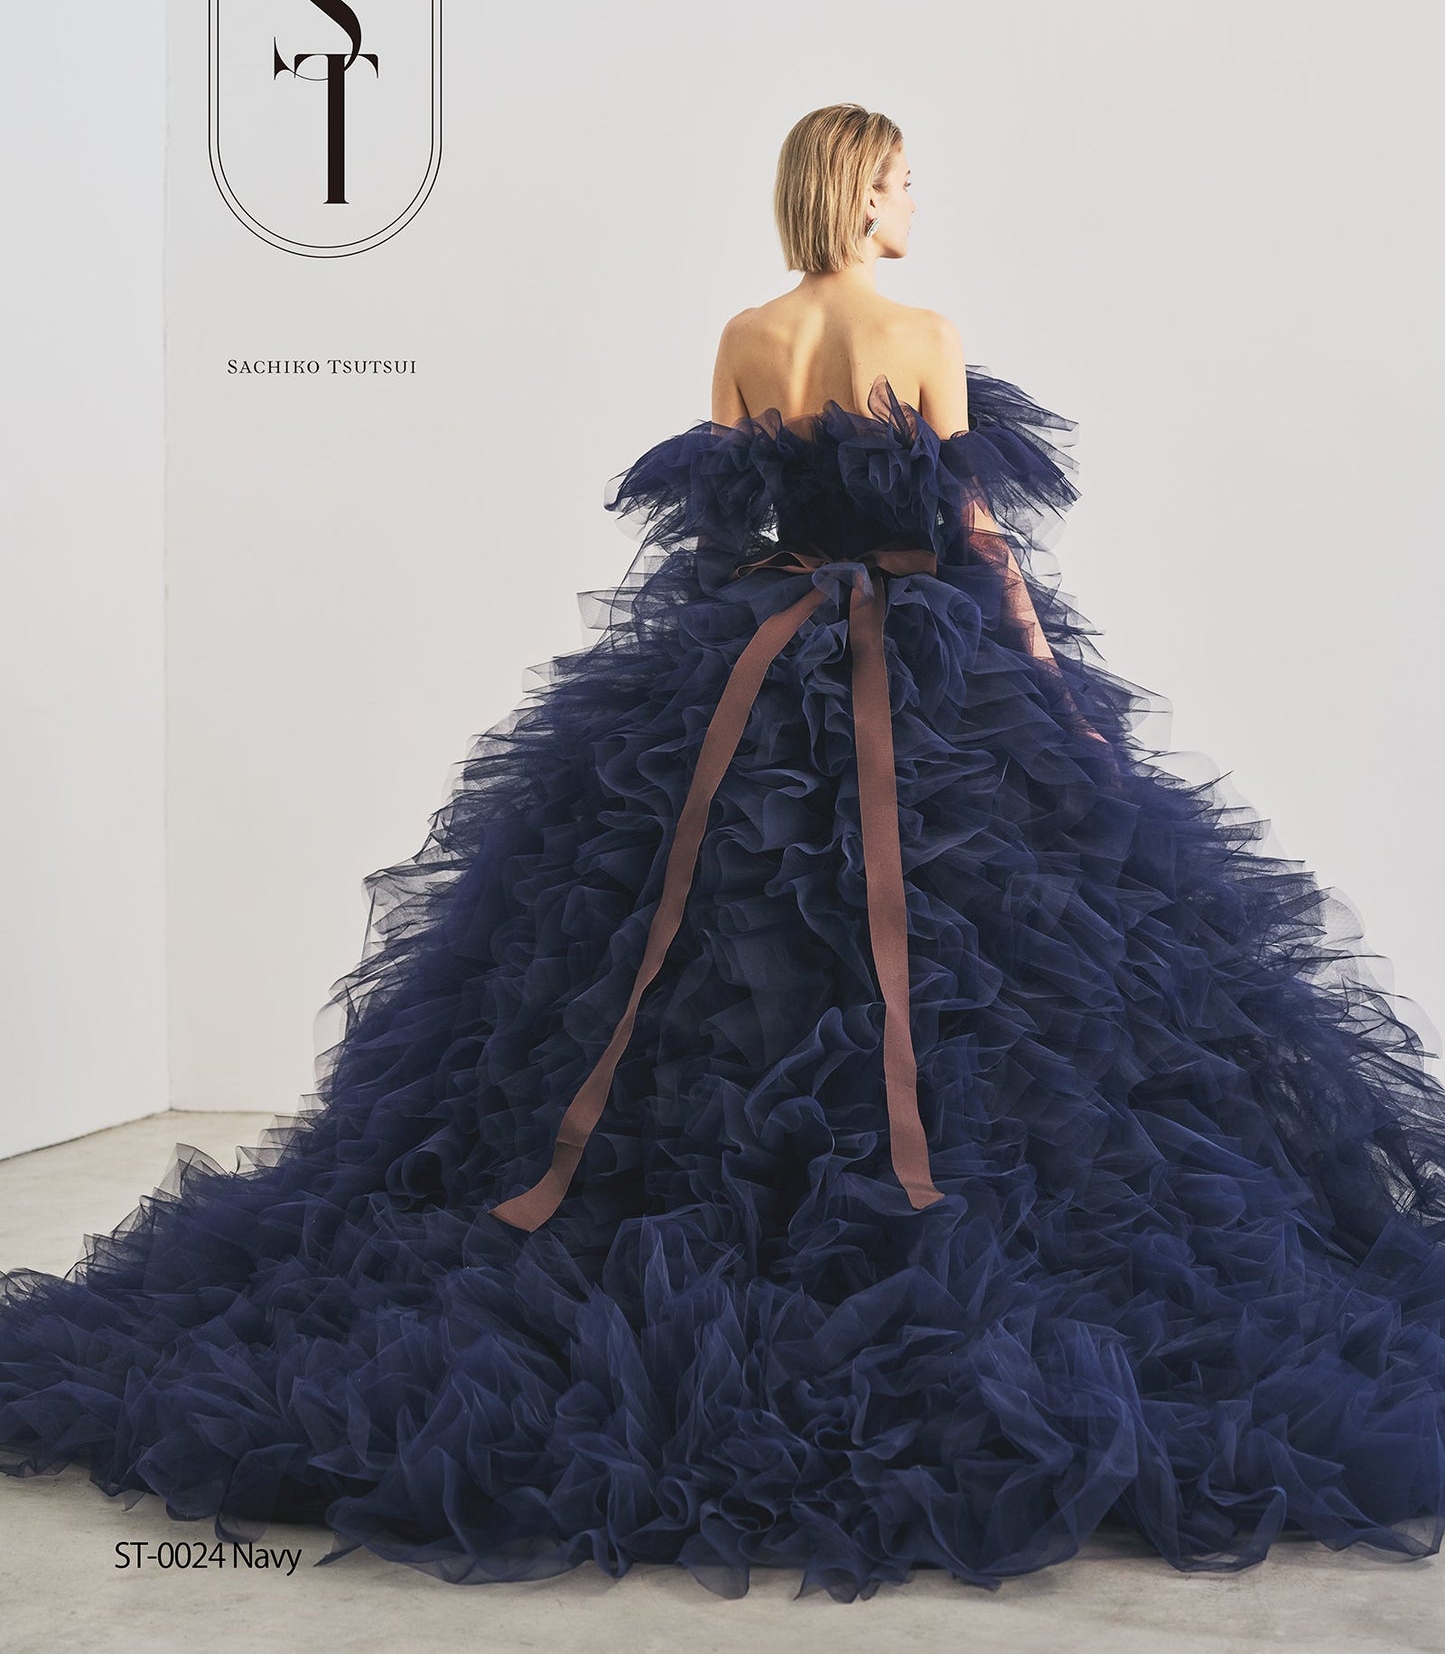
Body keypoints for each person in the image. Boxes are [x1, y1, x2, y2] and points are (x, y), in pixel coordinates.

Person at [1, 102, 1443, 1603]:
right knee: (989, 964)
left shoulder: (750, 337)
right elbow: (974, 534)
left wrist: (740, 653)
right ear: (854, 191)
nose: (913, 203)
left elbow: (716, 543)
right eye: (899, 181)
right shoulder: (924, 335)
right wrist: (1055, 692)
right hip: (930, 675)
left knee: (699, 943)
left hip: (753, 667)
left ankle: (700, 1209)